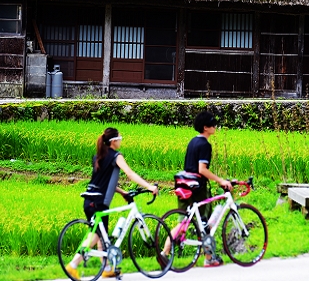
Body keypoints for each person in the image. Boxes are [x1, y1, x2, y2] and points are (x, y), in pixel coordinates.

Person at [65, 127, 158, 281]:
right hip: (99, 202)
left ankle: (106, 269)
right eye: (120, 138)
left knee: (102, 235)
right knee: (96, 235)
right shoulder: (116, 156)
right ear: (114, 141)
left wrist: (122, 192)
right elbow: (130, 174)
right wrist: (149, 186)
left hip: (89, 200)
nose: (121, 140)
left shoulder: (98, 156)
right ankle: (73, 265)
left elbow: (104, 182)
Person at [178, 111, 233, 267]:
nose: (215, 126)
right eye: (212, 124)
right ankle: (209, 258)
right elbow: (202, 169)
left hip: (184, 185)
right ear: (205, 127)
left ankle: (164, 253)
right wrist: (221, 180)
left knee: (182, 222)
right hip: (198, 188)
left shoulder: (193, 142)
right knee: (204, 223)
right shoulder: (204, 145)